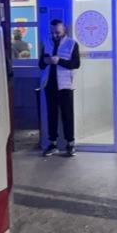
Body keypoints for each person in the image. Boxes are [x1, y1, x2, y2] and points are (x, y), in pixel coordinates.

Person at [39, 19, 81, 157]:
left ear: (64, 30)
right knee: (51, 115)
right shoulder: (46, 42)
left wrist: (59, 61)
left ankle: (70, 143)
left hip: (65, 85)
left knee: (67, 115)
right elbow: (40, 64)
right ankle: (52, 143)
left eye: (57, 32)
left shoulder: (72, 44)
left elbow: (76, 64)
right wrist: (46, 61)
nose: (54, 35)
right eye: (52, 32)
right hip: (49, 84)